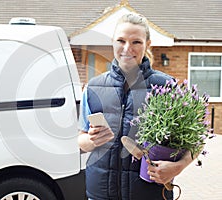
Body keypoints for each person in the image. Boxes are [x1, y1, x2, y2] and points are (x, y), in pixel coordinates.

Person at [78, 12, 196, 200]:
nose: (127, 48)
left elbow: (194, 143)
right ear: (112, 42)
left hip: (149, 193)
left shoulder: (166, 87)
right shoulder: (93, 87)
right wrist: (91, 140)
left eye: (136, 42)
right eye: (121, 40)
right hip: (100, 194)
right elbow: (81, 140)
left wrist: (178, 167)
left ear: (147, 45)